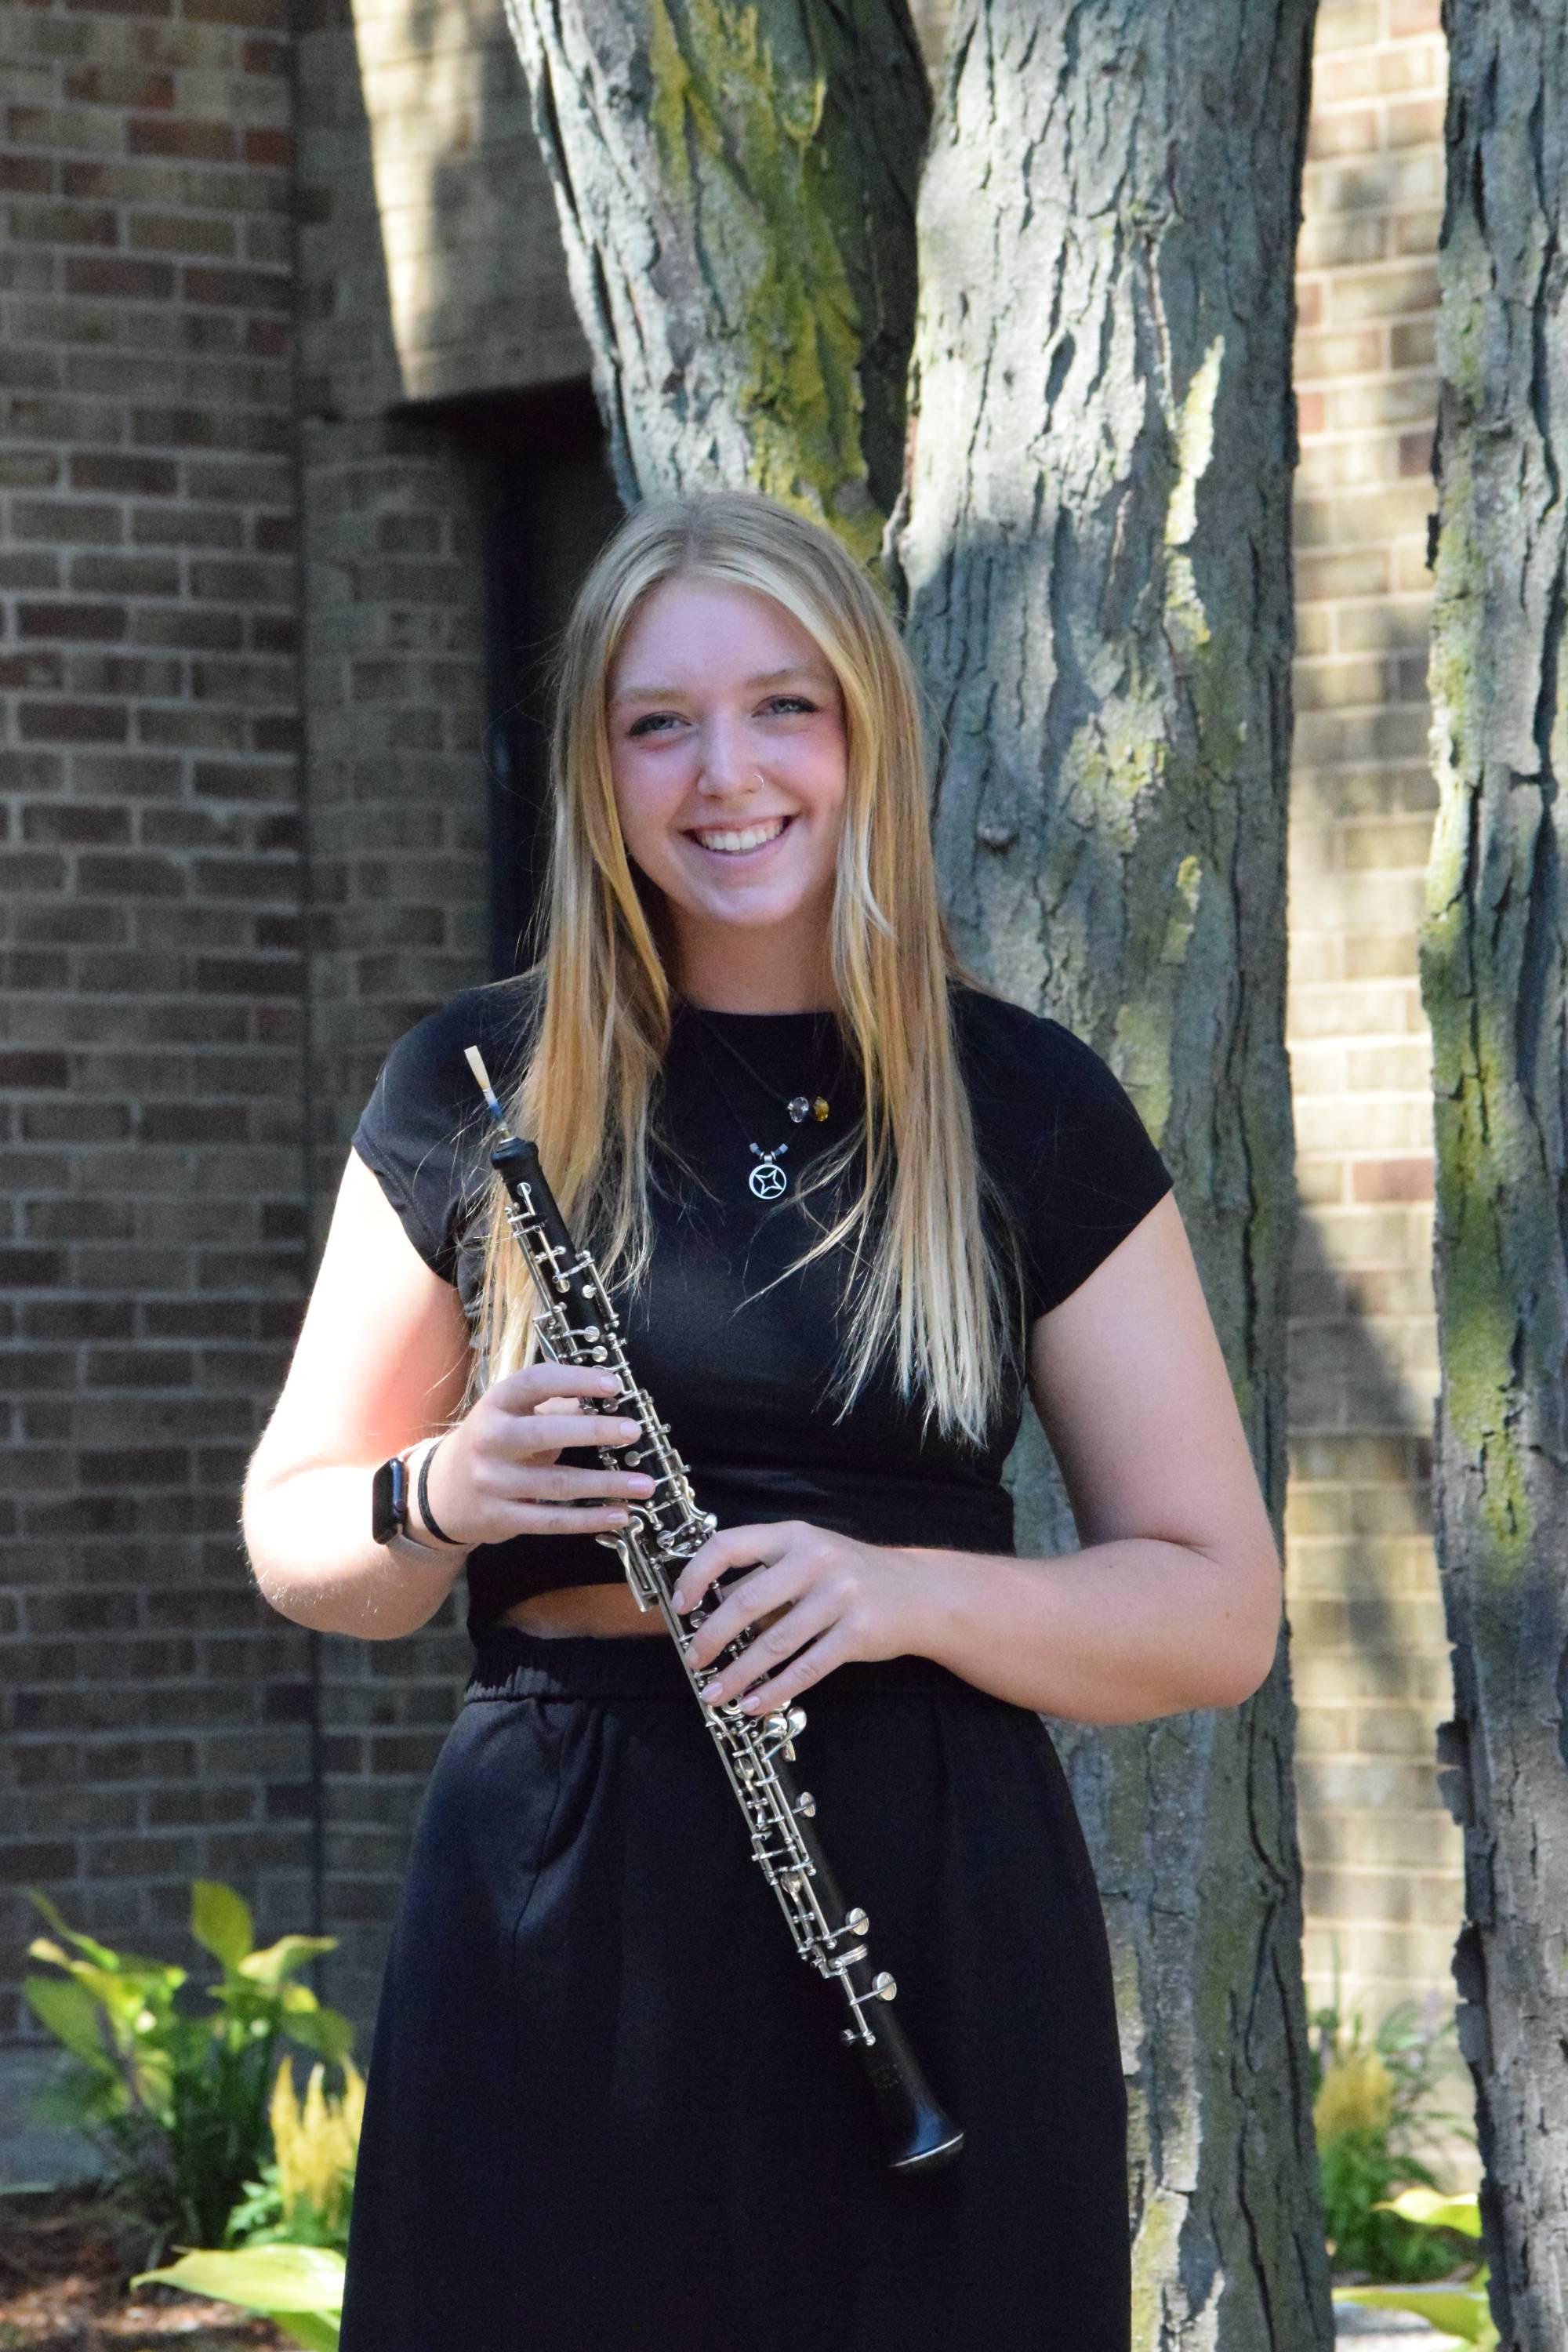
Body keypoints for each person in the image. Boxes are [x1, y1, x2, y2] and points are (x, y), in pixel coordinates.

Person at [242, 490, 1283, 2352]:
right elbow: (304, 1544)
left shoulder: (1019, 1105)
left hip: (927, 1889)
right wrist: (446, 1488)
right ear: (599, 767)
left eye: (783, 707)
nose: (726, 773)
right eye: (660, 722)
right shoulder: (477, 1084)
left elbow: (1216, 1612)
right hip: (557, 1886)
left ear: (864, 727)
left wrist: (894, 1593)